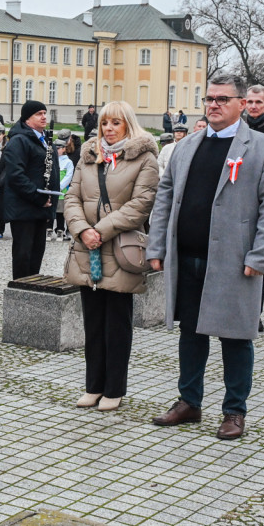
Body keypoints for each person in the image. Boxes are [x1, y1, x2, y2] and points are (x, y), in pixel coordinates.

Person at [147, 74, 264, 440]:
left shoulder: (263, 147)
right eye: (209, 98)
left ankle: (234, 411)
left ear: (242, 104)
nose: (213, 105)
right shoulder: (187, 145)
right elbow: (165, 198)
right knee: (190, 333)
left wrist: (260, 256)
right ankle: (189, 401)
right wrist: (157, 246)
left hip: (235, 261)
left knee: (236, 337)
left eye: (223, 99)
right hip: (187, 258)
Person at [63, 101, 158, 411]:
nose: (109, 129)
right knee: (92, 322)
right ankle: (93, 386)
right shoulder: (89, 156)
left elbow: (141, 205)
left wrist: (100, 230)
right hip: (87, 248)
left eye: (116, 123)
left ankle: (114, 388)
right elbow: (72, 197)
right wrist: (82, 230)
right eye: (105, 123)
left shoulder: (144, 159)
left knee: (117, 323)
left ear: (128, 124)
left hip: (120, 249)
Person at [4, 100, 60, 279]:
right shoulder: (19, 140)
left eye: (44, 113)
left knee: (36, 256)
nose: (44, 117)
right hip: (25, 209)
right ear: (27, 119)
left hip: (41, 209)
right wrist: (38, 197)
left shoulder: (45, 141)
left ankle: (32, 289)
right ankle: (21, 289)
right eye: (38, 114)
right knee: (23, 256)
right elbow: (15, 175)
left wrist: (50, 203)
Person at [52, 130, 75, 241]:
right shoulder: (51, 159)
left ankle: (61, 230)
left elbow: (69, 176)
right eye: (55, 148)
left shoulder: (68, 161)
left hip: (62, 190)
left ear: (64, 149)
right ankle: (48, 230)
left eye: (59, 148)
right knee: (51, 210)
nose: (57, 150)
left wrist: (60, 186)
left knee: (61, 211)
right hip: (52, 189)